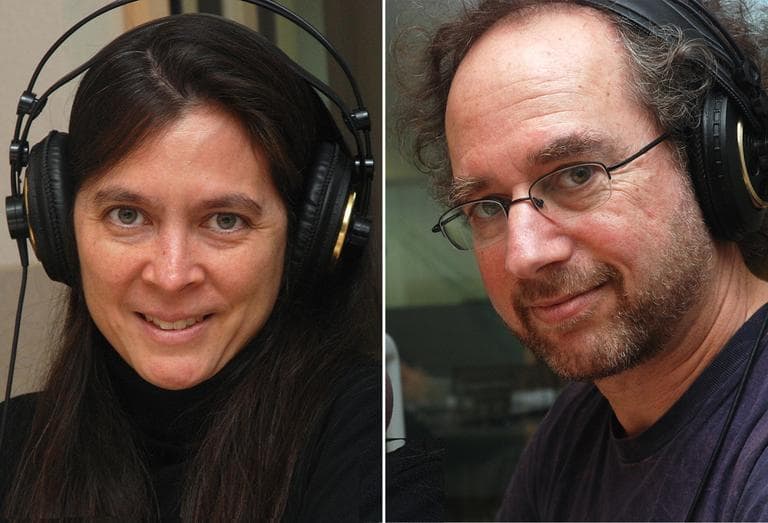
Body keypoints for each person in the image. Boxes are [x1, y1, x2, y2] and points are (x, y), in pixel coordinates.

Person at [0, 10, 380, 522]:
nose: (172, 275)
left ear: (310, 238)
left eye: (225, 221)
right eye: (127, 215)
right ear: (58, 229)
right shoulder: (13, 446)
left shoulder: (367, 440)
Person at [398, 0, 768, 520]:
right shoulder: (578, 427)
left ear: (717, 164)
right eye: (487, 207)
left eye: (577, 175)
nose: (523, 254)